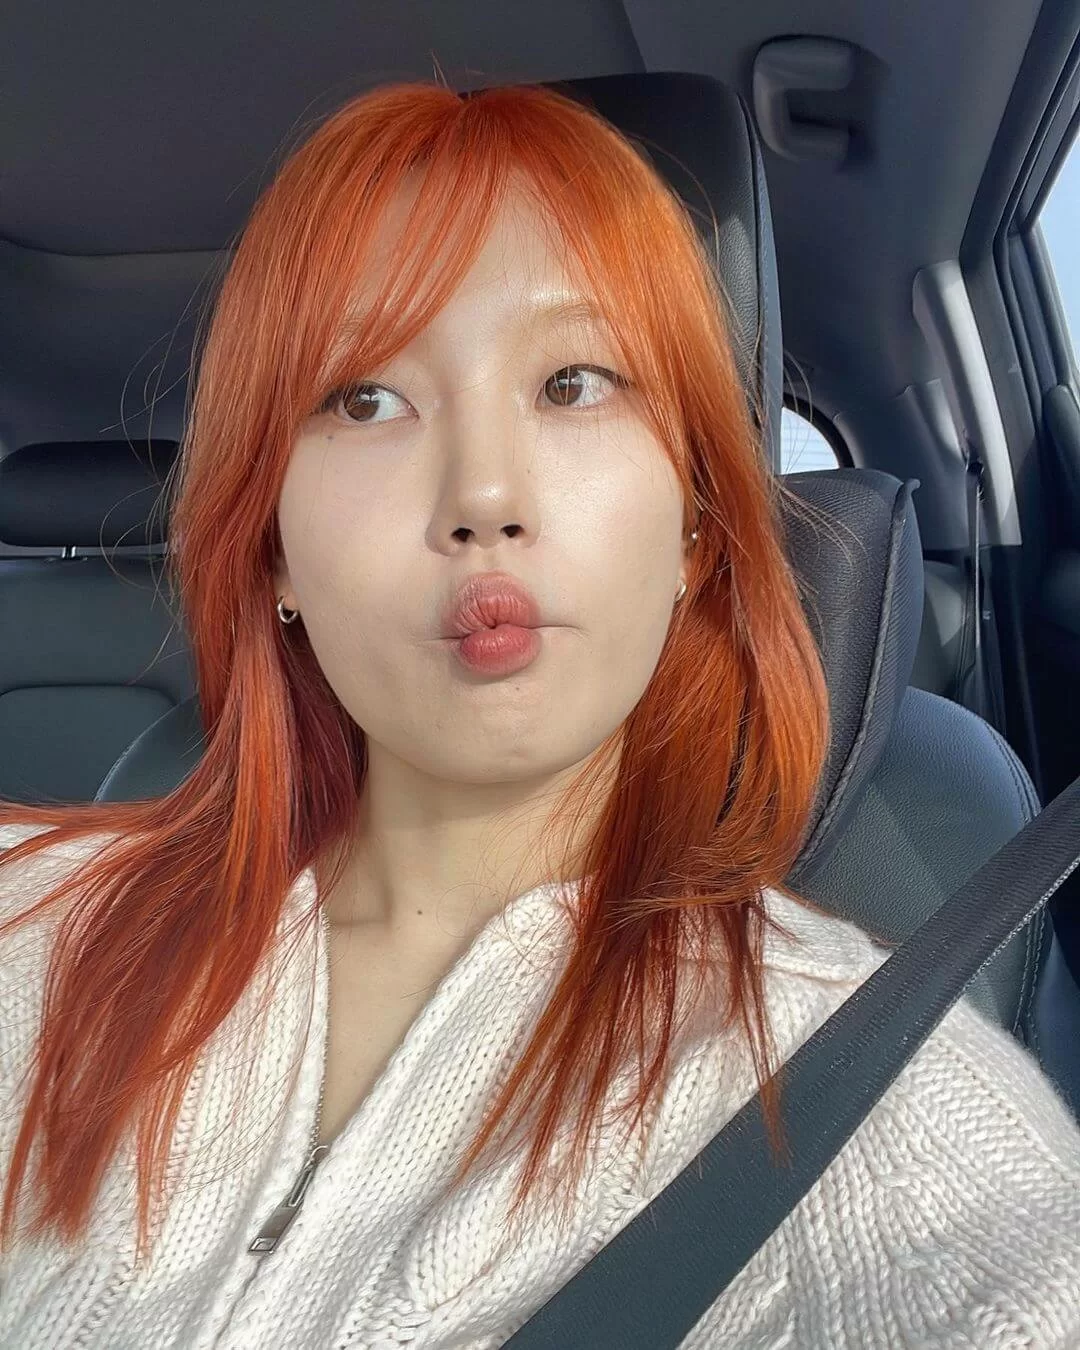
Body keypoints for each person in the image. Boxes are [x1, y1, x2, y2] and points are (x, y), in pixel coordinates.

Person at [0, 80, 1078, 1350]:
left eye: (574, 381)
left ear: (694, 532)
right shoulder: (31, 922)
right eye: (365, 398)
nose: (483, 496)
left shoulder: (876, 1102)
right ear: (274, 548)